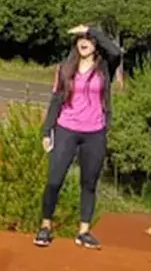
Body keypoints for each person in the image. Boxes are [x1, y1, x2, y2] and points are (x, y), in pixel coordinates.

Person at [36, 24, 123, 249]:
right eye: (80, 39)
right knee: (54, 180)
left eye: (89, 40)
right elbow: (56, 99)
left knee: (89, 183)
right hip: (66, 129)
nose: (84, 43)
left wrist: (92, 29)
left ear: (95, 43)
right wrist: (47, 130)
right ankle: (45, 226)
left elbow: (116, 52)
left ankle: (83, 231)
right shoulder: (65, 68)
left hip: (94, 132)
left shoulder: (105, 67)